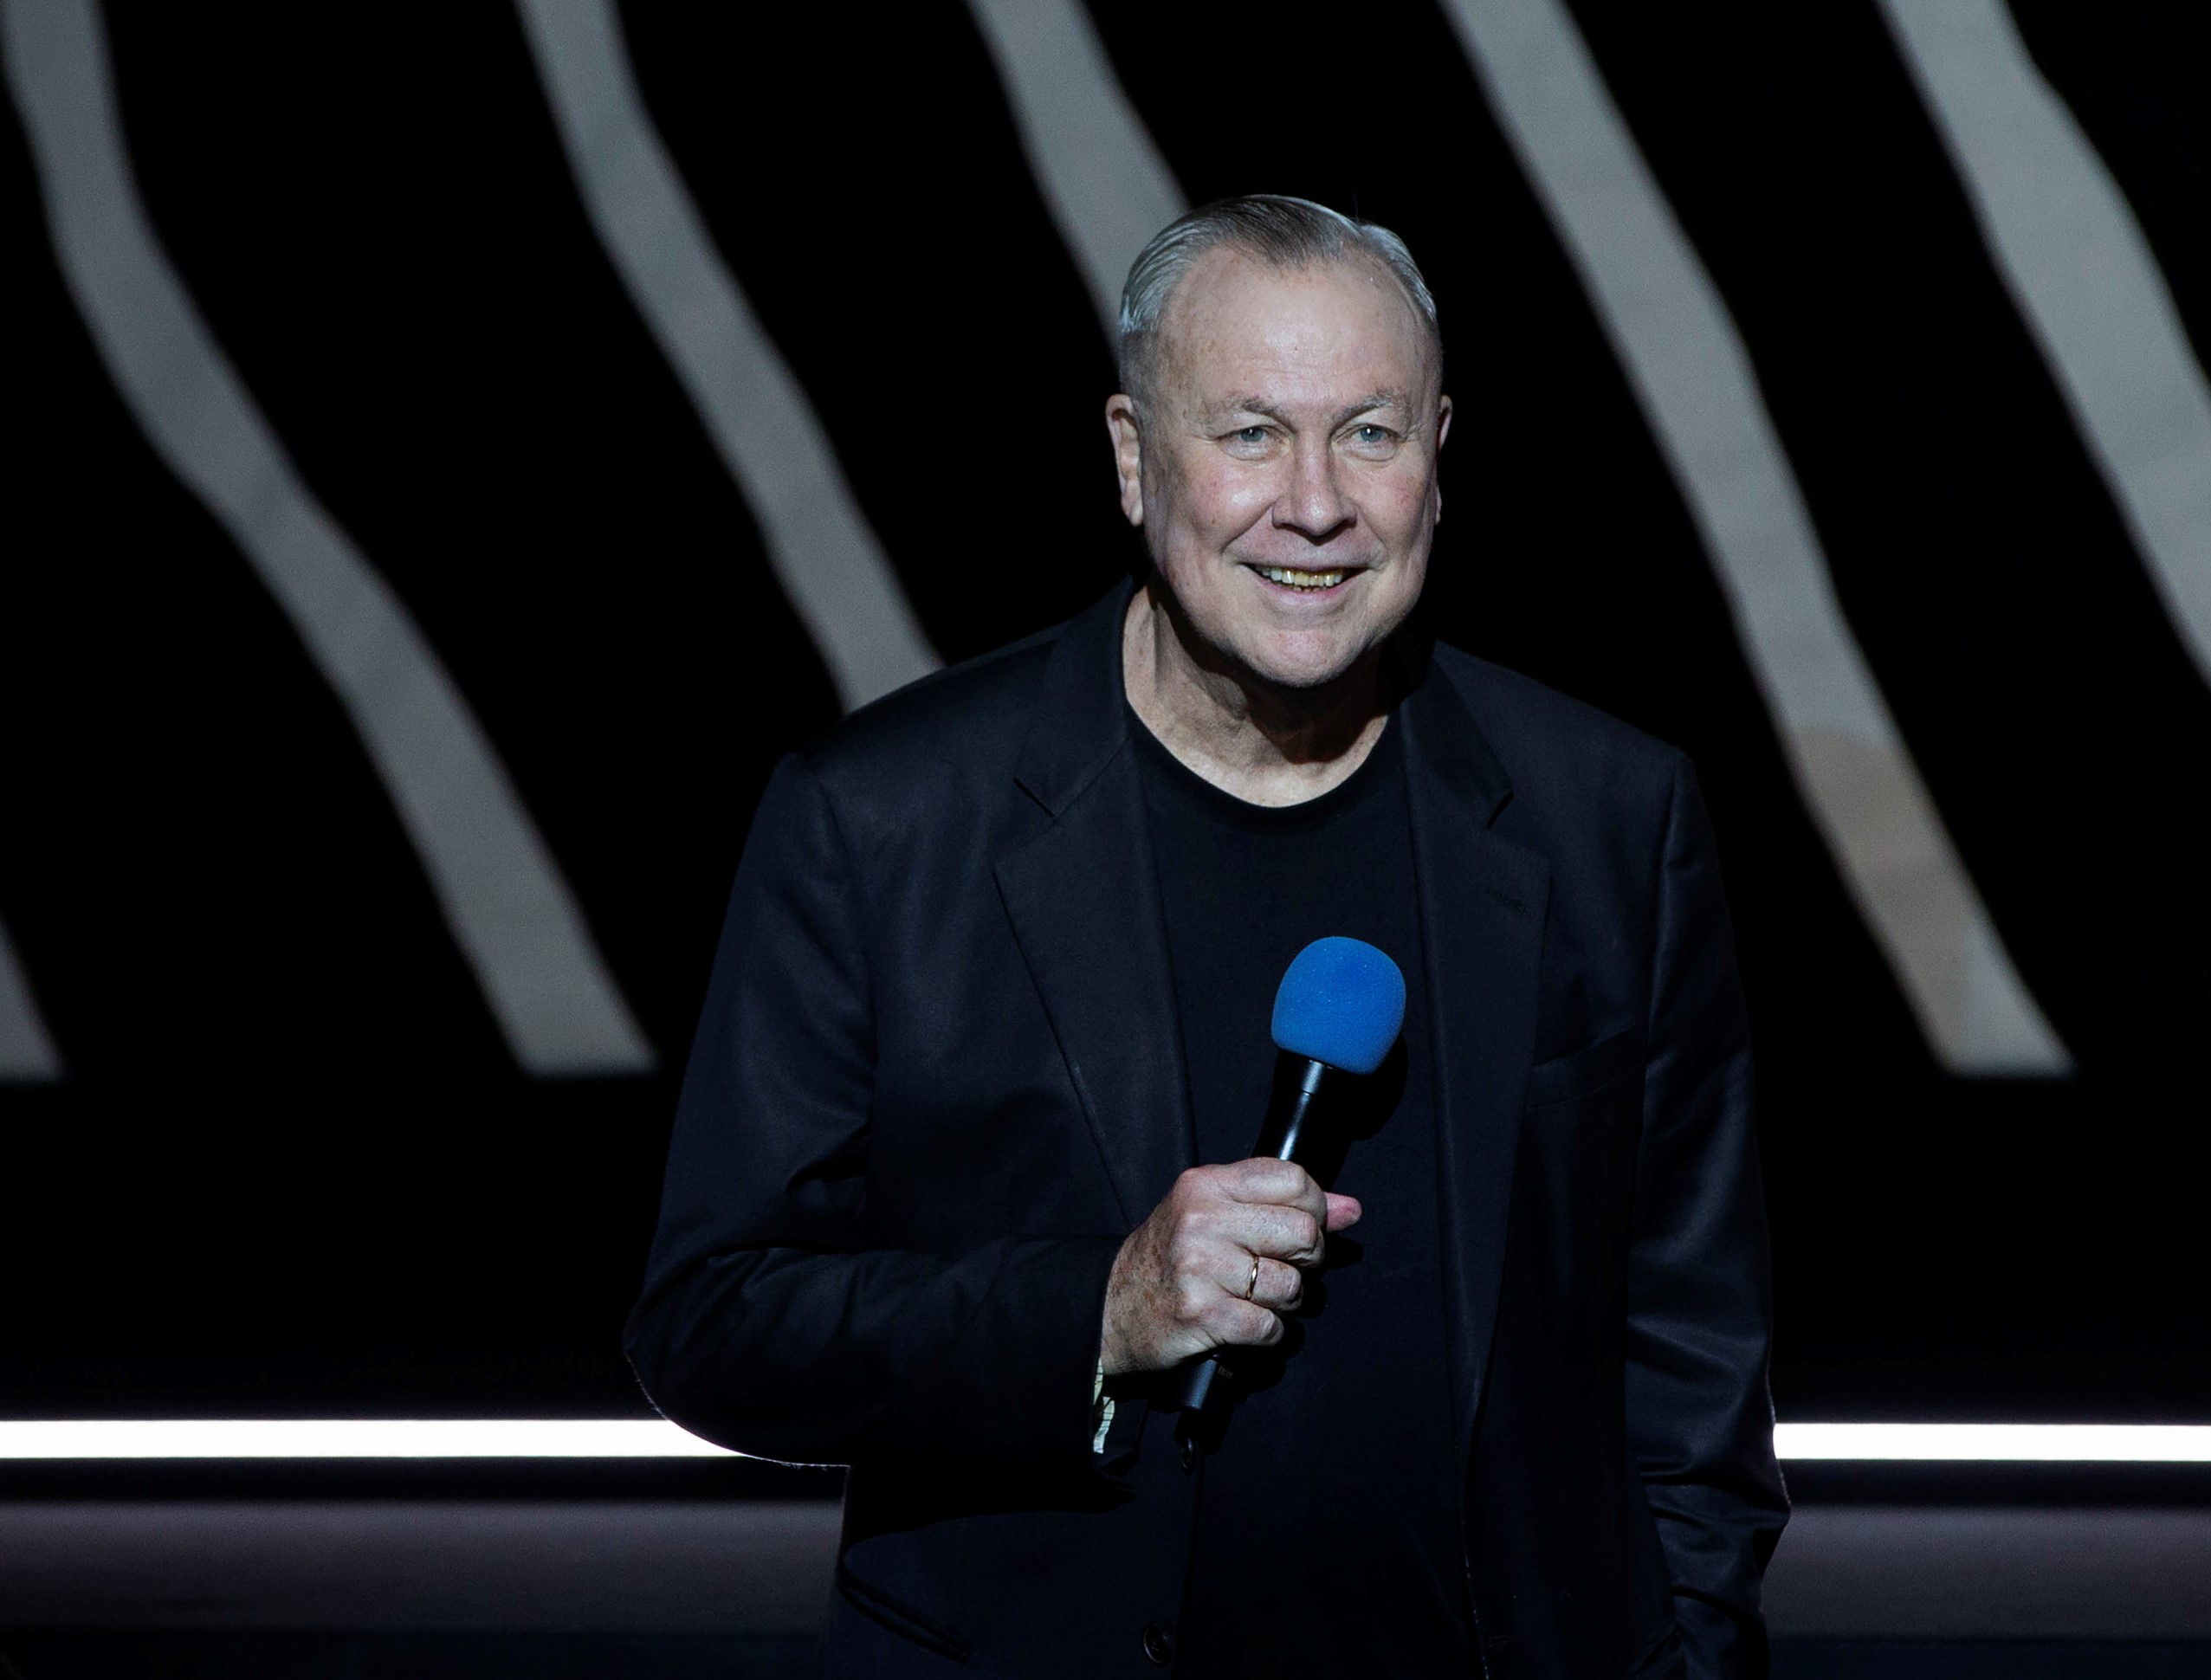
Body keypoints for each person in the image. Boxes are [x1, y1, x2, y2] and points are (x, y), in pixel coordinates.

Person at [628, 195, 1785, 1678]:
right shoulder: (881, 822)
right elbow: (715, 1323)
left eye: (1370, 433)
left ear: (1441, 458)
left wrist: (1690, 1646)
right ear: (1129, 457)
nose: (1314, 502)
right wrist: (1095, 1311)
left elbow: (1689, 1339)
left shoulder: (1609, 816)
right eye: (1247, 433)